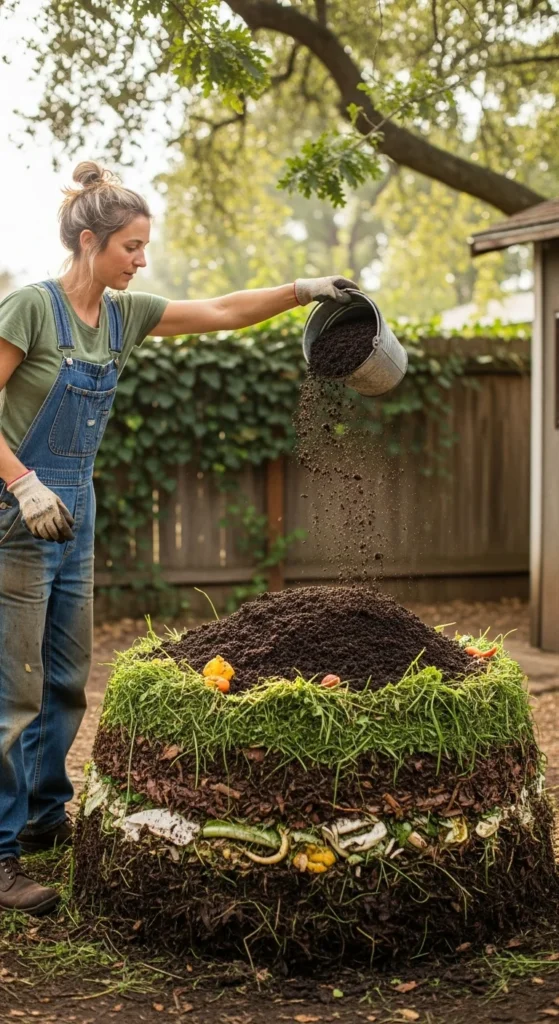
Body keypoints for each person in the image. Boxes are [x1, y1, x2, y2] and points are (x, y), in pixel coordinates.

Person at [0, 160, 356, 914]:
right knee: (14, 693)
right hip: (16, 513)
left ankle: (39, 821)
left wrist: (304, 291)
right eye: (131, 247)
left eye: (145, 247)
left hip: (77, 511)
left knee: (65, 681)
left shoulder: (124, 316)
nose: (142, 260)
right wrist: (23, 485)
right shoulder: (30, 310)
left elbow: (224, 311)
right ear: (90, 242)